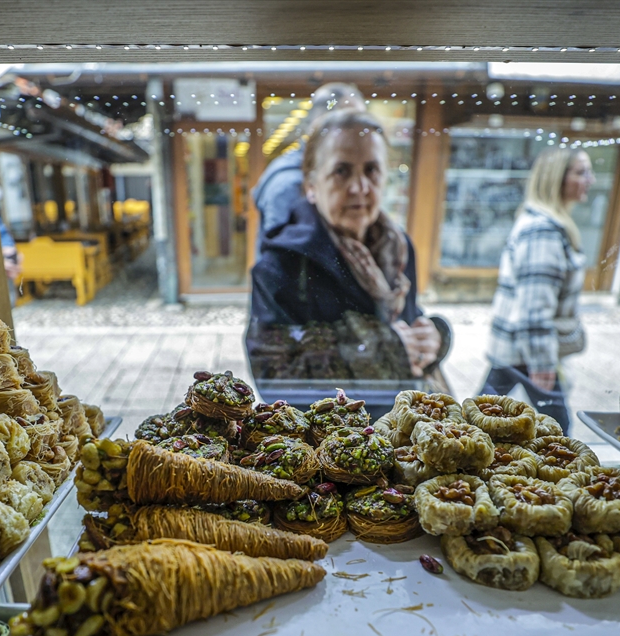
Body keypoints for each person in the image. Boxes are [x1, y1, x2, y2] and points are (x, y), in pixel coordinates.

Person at [248, 110, 449, 380]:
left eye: (371, 169)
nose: (359, 187)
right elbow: (273, 372)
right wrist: (382, 351)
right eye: (341, 171)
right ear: (311, 185)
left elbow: (404, 319)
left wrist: (433, 337)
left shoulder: (398, 248)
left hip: (401, 417)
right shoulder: (283, 265)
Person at [481, 147, 595, 435]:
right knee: (558, 431)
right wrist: (543, 366)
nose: (590, 180)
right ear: (556, 178)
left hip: (517, 351)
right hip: (527, 352)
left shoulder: (544, 224)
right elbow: (534, 310)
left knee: (480, 417)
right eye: (581, 172)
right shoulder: (543, 231)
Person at [251, 83, 367, 259]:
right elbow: (279, 265)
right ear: (320, 124)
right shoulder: (289, 184)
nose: (361, 132)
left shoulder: (329, 170)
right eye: (351, 123)